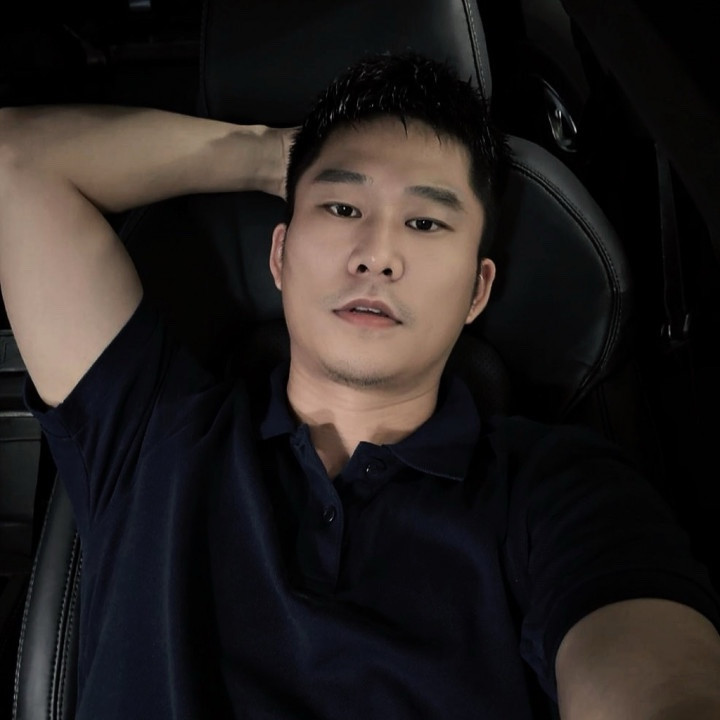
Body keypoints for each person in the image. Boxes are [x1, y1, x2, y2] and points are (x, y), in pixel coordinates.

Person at [1, 52, 719, 720]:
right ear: (280, 253)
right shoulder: (156, 431)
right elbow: (17, 159)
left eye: (425, 221)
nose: (378, 255)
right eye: (342, 209)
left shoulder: (558, 491)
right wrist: (269, 154)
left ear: (477, 290)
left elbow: (660, 682)